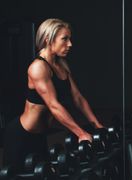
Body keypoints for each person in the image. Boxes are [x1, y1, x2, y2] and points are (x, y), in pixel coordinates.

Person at [2, 18, 104, 170]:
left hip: (40, 136)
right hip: (21, 135)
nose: (70, 44)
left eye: (70, 39)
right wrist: (81, 133)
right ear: (48, 39)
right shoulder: (38, 67)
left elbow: (78, 98)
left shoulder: (61, 65)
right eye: (65, 39)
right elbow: (53, 105)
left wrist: (97, 126)